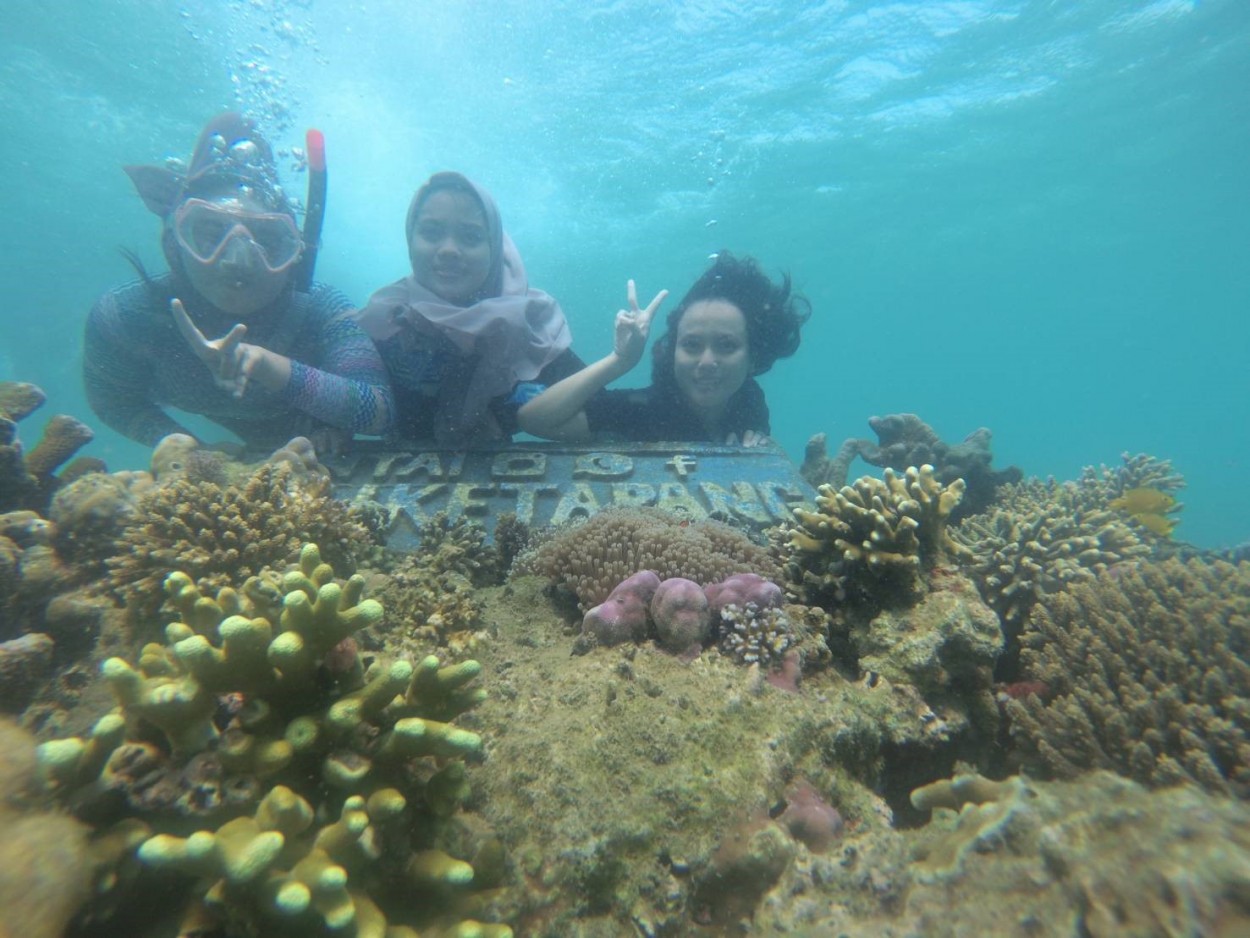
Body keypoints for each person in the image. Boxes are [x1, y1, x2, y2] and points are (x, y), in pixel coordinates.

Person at [83, 112, 394, 452]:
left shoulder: (323, 308)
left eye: (268, 241)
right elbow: (114, 401)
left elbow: (377, 411)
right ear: (174, 242)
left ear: (296, 254)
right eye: (209, 234)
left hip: (303, 436)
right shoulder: (124, 316)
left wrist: (265, 364)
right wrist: (194, 455)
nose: (237, 261)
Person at [353, 172, 583, 446]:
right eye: (431, 232)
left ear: (494, 248)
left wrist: (625, 359)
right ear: (410, 239)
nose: (449, 249)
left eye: (470, 237)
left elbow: (605, 413)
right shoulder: (385, 321)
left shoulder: (528, 326)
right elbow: (338, 403)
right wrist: (324, 429)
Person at [518, 251, 810, 445]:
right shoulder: (643, 410)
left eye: (726, 345)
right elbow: (533, 419)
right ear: (673, 353)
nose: (707, 361)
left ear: (753, 358)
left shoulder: (749, 400)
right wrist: (619, 360)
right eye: (692, 345)